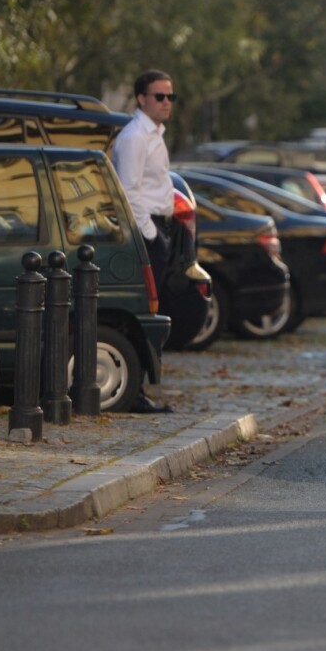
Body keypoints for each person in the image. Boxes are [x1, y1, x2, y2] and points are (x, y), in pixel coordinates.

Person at [112, 69, 177, 412]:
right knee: (142, 311)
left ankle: (139, 387)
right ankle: (133, 392)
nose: (167, 103)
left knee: (155, 310)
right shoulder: (135, 136)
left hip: (160, 227)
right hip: (146, 232)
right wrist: (152, 234)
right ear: (142, 99)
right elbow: (129, 193)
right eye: (159, 97)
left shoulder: (155, 135)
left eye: (171, 97)